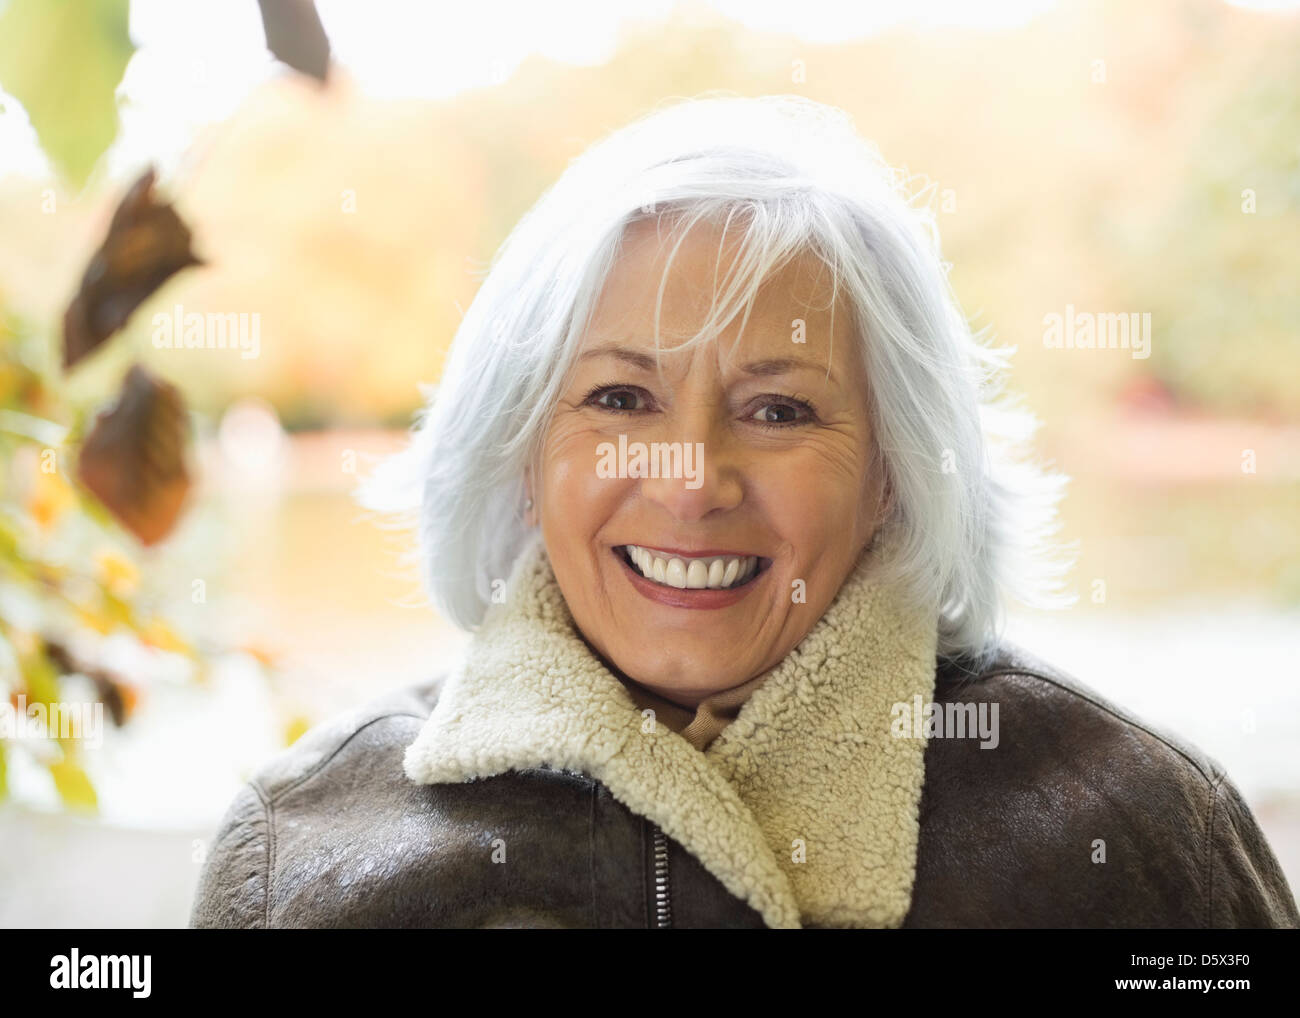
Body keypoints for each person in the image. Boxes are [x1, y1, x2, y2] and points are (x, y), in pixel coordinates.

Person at [190, 95, 1298, 929]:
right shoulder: (298, 857)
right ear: (525, 451)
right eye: (620, 397)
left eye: (778, 408)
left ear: (892, 469)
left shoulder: (1134, 828)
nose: (688, 478)